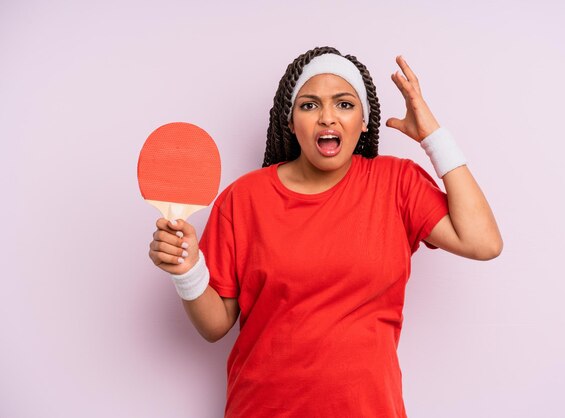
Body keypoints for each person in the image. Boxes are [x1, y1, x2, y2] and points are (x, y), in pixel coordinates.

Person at [148, 46, 502, 417]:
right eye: (309, 105)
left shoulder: (396, 183)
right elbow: (215, 325)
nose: (327, 117)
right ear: (290, 120)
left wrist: (432, 135)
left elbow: (483, 242)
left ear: (364, 121)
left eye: (345, 105)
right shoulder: (244, 198)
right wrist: (187, 271)